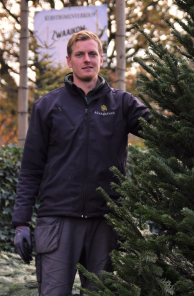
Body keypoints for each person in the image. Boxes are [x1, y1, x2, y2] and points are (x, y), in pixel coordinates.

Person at [12, 30, 150, 295]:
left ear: (101, 59)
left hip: (106, 222)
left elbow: (164, 130)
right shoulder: (48, 106)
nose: (87, 59)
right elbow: (30, 169)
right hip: (57, 221)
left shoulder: (122, 104)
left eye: (92, 54)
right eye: (80, 54)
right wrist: (20, 222)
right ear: (69, 61)